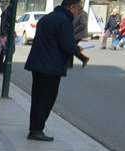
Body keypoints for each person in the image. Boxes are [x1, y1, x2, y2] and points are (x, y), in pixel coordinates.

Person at [24, 0, 90, 141]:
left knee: (37, 98)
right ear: (71, 7)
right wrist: (81, 55)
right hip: (51, 67)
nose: (79, 11)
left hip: (38, 64)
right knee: (46, 99)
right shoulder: (64, 21)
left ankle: (34, 128)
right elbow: (67, 45)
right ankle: (37, 130)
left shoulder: (47, 18)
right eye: (79, 8)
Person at [69, 1, 88, 67]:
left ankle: (84, 59)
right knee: (72, 48)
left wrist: (74, 30)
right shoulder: (77, 13)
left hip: (79, 35)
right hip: (75, 34)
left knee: (72, 48)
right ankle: (84, 59)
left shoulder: (82, 14)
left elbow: (83, 25)